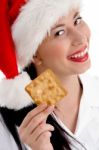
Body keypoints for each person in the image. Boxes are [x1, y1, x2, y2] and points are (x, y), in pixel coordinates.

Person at [0, 0, 99, 150]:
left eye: (77, 20)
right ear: (35, 55)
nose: (80, 39)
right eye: (59, 32)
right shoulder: (5, 126)